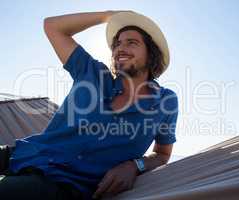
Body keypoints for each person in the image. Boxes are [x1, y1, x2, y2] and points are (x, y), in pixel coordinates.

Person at [0, 11, 178, 200]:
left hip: (63, 183)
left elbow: (162, 154)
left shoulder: (165, 101)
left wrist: (134, 166)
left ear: (151, 54)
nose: (120, 49)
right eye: (117, 44)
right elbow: (52, 26)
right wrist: (108, 16)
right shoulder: (92, 72)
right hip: (25, 152)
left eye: (131, 43)